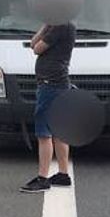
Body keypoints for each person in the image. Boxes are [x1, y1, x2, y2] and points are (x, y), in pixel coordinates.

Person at [20, 22, 75, 193]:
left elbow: (37, 48)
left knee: (44, 133)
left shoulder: (61, 26)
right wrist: (45, 26)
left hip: (51, 85)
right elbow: (32, 43)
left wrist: (46, 26)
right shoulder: (58, 25)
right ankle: (63, 174)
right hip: (57, 84)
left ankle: (43, 178)